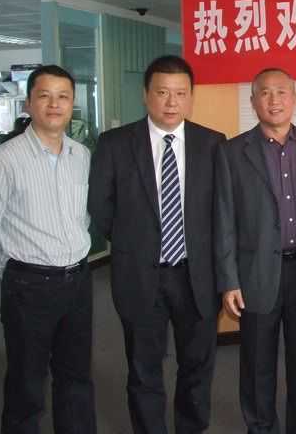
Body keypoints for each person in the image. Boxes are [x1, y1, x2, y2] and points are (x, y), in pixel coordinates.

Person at [88, 55, 225, 434]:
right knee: (143, 369)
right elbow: (100, 206)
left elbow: (222, 210)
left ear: (191, 97)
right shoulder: (115, 143)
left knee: (197, 367)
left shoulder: (212, 143)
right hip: (139, 275)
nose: (171, 102)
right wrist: (135, 243)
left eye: (180, 93)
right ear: (145, 94)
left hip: (197, 276)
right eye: (162, 92)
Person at [214, 67, 296, 433]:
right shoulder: (232, 152)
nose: (274, 100)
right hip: (255, 273)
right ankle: (260, 427)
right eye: (265, 93)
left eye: (282, 92)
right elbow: (223, 219)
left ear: (294, 99)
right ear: (253, 101)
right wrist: (228, 280)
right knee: (257, 363)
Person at [0, 65, 96, 434]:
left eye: (63, 97)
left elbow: (83, 218)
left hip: (79, 281)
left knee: (76, 380)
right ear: (28, 103)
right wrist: (20, 273)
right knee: (26, 385)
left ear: (72, 103)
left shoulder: (82, 155)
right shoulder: (3, 160)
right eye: (45, 96)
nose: (54, 104)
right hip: (28, 287)